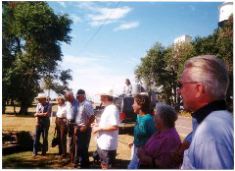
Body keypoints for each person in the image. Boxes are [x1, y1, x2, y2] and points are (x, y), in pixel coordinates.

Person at [179, 55, 233, 169]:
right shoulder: (217, 122)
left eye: (182, 85)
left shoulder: (211, 132)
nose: (179, 91)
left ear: (198, 89)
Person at [137, 103, 181, 169]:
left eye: (156, 115)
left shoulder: (170, 138)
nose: (153, 118)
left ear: (163, 119)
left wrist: (144, 158)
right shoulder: (159, 132)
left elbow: (165, 165)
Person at [92, 89, 120, 169]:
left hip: (108, 145)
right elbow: (108, 123)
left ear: (106, 97)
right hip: (103, 143)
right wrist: (98, 124)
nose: (100, 99)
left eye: (101, 97)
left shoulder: (112, 109)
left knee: (107, 167)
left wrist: (98, 128)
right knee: (103, 165)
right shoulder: (108, 108)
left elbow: (115, 126)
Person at [127, 94, 156, 169]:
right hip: (136, 150)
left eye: (134, 103)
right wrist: (134, 141)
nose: (132, 105)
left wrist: (146, 154)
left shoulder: (148, 120)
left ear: (140, 105)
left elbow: (155, 138)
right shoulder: (138, 116)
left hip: (144, 153)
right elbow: (140, 132)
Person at [74, 89, 95, 168]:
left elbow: (92, 117)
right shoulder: (79, 104)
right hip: (79, 128)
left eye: (78, 96)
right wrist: (76, 127)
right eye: (77, 96)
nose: (77, 98)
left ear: (83, 95)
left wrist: (85, 127)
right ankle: (82, 163)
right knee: (79, 147)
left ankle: (84, 165)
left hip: (84, 129)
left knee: (83, 147)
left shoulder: (86, 104)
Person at [64, 91, 78, 163]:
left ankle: (75, 159)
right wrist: (66, 120)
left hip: (75, 124)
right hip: (68, 123)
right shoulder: (67, 103)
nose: (67, 99)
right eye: (66, 98)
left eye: (68, 98)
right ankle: (70, 157)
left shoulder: (78, 103)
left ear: (72, 96)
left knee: (75, 142)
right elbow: (67, 113)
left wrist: (76, 126)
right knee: (69, 141)